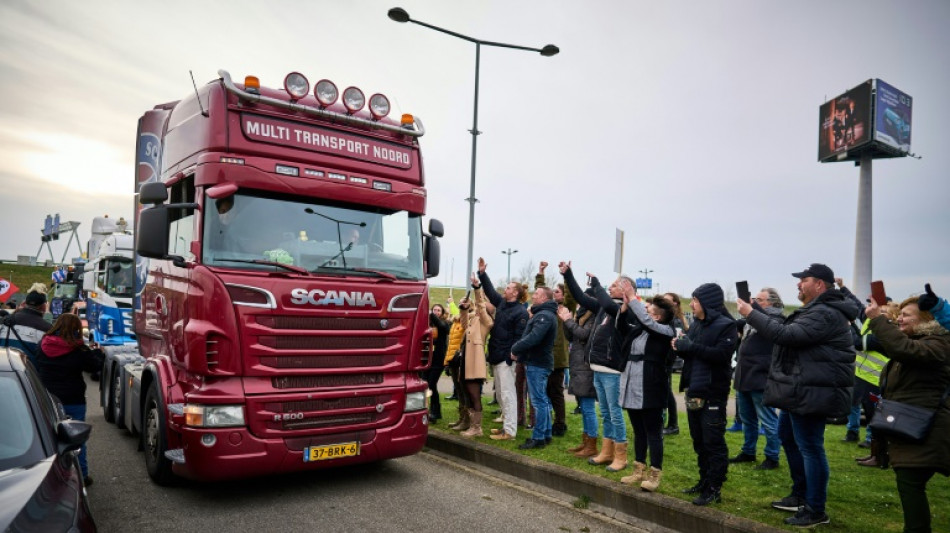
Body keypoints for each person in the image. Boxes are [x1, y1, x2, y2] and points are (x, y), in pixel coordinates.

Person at [737, 263, 858, 528]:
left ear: (820, 284)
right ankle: (800, 495)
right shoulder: (817, 310)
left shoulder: (825, 313)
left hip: (813, 390)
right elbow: (785, 329)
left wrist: (750, 313)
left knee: (810, 447)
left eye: (804, 280)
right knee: (788, 438)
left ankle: (815, 509)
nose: (798, 284)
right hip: (801, 388)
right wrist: (755, 310)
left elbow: (786, 334)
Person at [865, 295, 950, 533]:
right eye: (899, 314)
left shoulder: (939, 344)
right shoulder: (920, 341)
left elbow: (904, 350)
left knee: (911, 485)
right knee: (909, 485)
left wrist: (877, 321)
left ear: (926, 319)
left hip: (926, 431)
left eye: (906, 315)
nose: (899, 319)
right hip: (912, 428)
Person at [561, 262, 630, 473]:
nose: (609, 289)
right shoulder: (602, 306)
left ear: (625, 289)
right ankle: (606, 452)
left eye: (614, 286)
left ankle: (620, 455)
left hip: (612, 369)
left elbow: (609, 304)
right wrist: (568, 275)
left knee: (615, 413)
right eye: (608, 286)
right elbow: (581, 298)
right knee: (606, 414)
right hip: (597, 367)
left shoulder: (622, 309)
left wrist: (597, 284)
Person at [673, 283, 737, 506]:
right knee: (699, 441)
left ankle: (714, 488)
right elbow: (693, 351)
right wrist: (680, 346)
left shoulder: (726, 325)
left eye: (695, 301)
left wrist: (689, 347)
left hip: (713, 392)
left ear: (707, 302)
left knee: (713, 443)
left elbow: (721, 355)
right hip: (694, 389)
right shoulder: (697, 324)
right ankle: (703, 480)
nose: (691, 305)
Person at [617, 282, 677, 492]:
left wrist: (634, 297)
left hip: (651, 388)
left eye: (649, 311)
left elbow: (645, 320)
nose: (645, 314)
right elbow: (622, 328)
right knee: (638, 431)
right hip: (632, 387)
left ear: (657, 317)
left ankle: (655, 474)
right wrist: (625, 308)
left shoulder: (665, 330)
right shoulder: (642, 329)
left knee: (653, 432)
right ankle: (638, 470)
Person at [35, 313, 104, 485]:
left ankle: (50, 473)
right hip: (74, 399)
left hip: (48, 397)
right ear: (76, 329)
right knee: (76, 437)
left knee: (49, 436)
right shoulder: (78, 349)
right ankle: (82, 475)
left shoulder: (43, 345)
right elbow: (95, 366)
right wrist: (99, 353)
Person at [730, 288, 784, 471]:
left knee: (768, 420)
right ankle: (748, 451)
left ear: (772, 303)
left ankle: (772, 456)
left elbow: (767, 327)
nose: (754, 302)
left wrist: (751, 309)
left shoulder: (776, 320)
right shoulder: (751, 319)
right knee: (747, 419)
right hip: (745, 375)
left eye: (759, 300)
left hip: (761, 376)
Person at [475, 258, 528, 441]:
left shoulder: (520, 312)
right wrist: (482, 273)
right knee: (501, 395)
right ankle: (506, 424)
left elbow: (519, 339)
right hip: (496, 356)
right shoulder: (503, 304)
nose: (504, 289)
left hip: (506, 359)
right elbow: (489, 290)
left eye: (508, 287)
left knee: (508, 395)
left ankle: (510, 431)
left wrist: (509, 357)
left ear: (515, 292)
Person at [511, 286, 559, 450]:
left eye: (537, 294)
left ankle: (538, 437)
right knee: (542, 400)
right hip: (538, 362)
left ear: (545, 298)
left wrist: (515, 348)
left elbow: (534, 337)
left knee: (538, 401)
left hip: (538, 363)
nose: (533, 295)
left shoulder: (544, 316)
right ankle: (545, 434)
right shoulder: (544, 314)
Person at [535, 261, 574, 437]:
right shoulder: (547, 309)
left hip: (557, 358)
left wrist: (566, 275)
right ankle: (545, 421)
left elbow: (572, 296)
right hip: (543, 356)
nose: (554, 294)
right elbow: (539, 295)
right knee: (542, 392)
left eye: (557, 291)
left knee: (555, 392)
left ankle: (560, 423)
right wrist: (540, 273)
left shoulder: (566, 308)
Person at [559, 289, 598, 458]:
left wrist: (569, 321)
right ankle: (585, 442)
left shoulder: (594, 315)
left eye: (584, 299)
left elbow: (583, 335)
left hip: (586, 366)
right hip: (578, 364)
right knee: (583, 406)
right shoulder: (581, 314)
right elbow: (571, 336)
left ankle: (591, 445)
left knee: (588, 408)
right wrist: (566, 320)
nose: (581, 301)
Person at [457, 276, 494, 438]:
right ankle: (471, 424)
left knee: (474, 394)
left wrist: (478, 289)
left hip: (474, 362)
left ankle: (477, 427)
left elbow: (480, 305)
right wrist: (463, 309)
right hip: (466, 360)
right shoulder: (475, 319)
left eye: (486, 304)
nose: (481, 305)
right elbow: (463, 325)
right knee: (467, 393)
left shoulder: (487, 321)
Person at [1, 287, 53, 366]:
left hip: (4, 371)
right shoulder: (48, 329)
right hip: (30, 374)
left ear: (24, 303)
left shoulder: (5, 321)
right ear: (44, 306)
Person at [662, 292, 688, 436]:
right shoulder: (670, 319)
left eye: (667, 300)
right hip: (667, 359)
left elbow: (676, 342)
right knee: (666, 391)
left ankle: (673, 424)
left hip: (669, 360)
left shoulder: (676, 321)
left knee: (667, 392)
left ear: (675, 303)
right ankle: (671, 423)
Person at [427, 304, 450, 422]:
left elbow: (442, 327)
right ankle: (434, 411)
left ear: (442, 312)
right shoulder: (427, 324)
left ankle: (435, 411)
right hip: (428, 359)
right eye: (434, 310)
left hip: (439, 360)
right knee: (427, 385)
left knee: (431, 384)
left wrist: (430, 313)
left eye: (438, 310)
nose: (436, 312)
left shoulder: (444, 323)